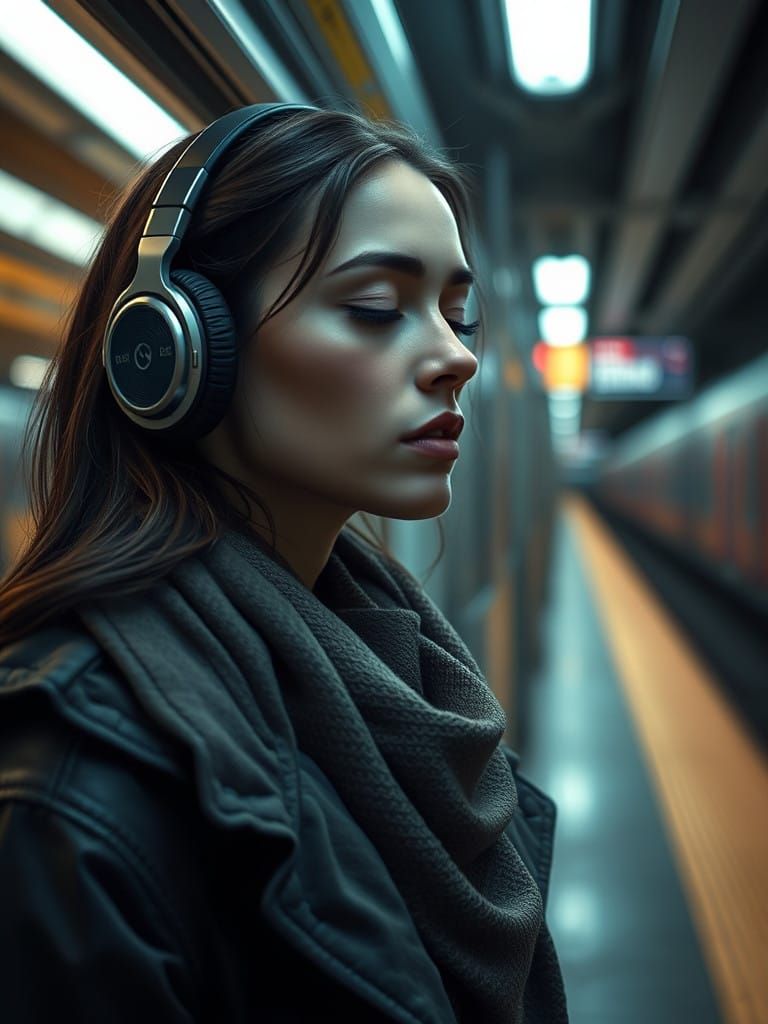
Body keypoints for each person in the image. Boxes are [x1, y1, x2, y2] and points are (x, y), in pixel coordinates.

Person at [0, 102, 568, 1022]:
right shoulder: (72, 785)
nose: (455, 356)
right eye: (377, 309)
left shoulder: (398, 668)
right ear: (175, 344)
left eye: (458, 314)